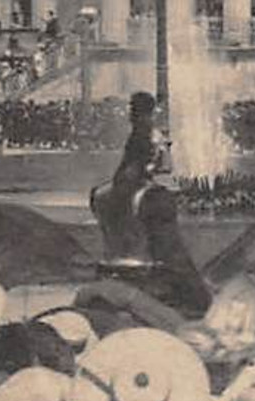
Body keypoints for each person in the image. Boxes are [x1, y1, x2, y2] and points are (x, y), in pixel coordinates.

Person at [88, 92, 213, 318]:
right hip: (148, 278)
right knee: (202, 304)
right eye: (164, 151)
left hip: (108, 270)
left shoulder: (100, 193)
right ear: (154, 155)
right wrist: (201, 290)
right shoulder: (154, 197)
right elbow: (174, 255)